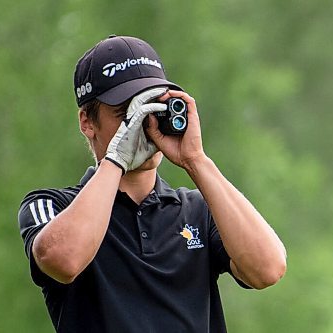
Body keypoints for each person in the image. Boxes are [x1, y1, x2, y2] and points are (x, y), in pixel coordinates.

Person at [18, 35, 287, 333]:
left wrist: (195, 160)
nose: (143, 125)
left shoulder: (199, 209)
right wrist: (116, 160)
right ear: (87, 122)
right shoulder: (52, 206)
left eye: (152, 108)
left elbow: (268, 269)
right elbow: (63, 261)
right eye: (126, 114)